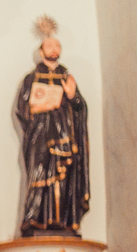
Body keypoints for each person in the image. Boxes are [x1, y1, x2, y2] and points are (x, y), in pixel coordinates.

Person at [14, 17, 89, 237]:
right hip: (40, 135)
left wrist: (73, 96)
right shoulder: (31, 78)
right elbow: (22, 108)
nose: (53, 49)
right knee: (39, 174)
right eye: (49, 46)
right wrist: (39, 107)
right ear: (41, 51)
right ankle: (34, 220)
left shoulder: (66, 77)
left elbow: (80, 108)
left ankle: (65, 221)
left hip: (65, 135)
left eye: (57, 46)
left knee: (64, 177)